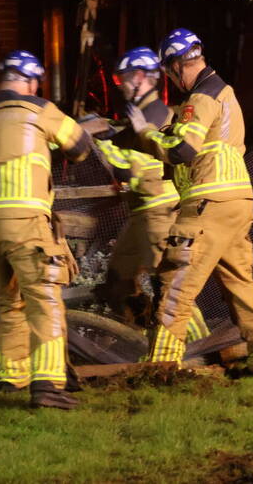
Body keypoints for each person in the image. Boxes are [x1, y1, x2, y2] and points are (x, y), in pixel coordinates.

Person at [126, 29, 253, 375]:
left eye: (170, 72)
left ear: (177, 66)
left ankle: (161, 364)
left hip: (208, 203)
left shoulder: (203, 97)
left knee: (176, 281)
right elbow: (189, 135)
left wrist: (146, 135)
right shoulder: (222, 92)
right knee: (240, 282)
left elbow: (182, 151)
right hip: (237, 201)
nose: (171, 79)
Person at [0, 50, 92, 409]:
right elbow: (80, 147)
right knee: (44, 298)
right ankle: (49, 385)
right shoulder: (38, 109)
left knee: (11, 301)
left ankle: (12, 377)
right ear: (31, 81)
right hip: (24, 218)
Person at [92, 47, 209, 342]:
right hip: (141, 213)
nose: (120, 86)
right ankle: (144, 340)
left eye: (122, 80)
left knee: (170, 287)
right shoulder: (140, 115)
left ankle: (203, 349)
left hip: (160, 212)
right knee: (118, 281)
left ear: (140, 76)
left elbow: (131, 170)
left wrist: (97, 142)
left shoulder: (155, 116)